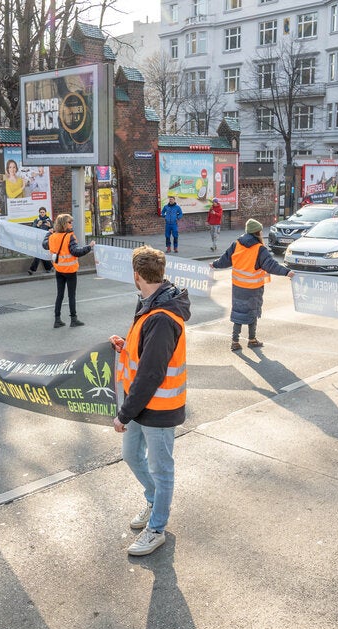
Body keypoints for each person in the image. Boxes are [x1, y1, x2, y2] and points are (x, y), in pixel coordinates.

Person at [109, 245, 191, 557]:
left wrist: (124, 414)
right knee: (131, 455)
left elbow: (152, 372)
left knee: (161, 469)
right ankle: (154, 501)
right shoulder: (150, 303)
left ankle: (156, 528)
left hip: (157, 408)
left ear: (137, 276)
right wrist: (124, 347)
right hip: (144, 404)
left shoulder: (161, 316)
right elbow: (144, 355)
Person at [211, 218, 293, 351]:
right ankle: (252, 339)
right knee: (252, 313)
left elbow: (225, 259)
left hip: (238, 286)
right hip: (253, 288)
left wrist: (214, 264)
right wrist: (286, 272)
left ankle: (235, 341)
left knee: (238, 311)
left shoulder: (237, 244)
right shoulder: (259, 249)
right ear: (258, 232)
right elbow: (271, 265)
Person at [42, 213, 95, 328]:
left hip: (59, 269)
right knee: (71, 295)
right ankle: (73, 319)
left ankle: (57, 320)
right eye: (69, 222)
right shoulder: (69, 237)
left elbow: (44, 245)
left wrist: (48, 233)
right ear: (64, 224)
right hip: (70, 270)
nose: (71, 224)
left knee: (59, 295)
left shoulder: (52, 236)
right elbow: (76, 252)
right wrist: (89, 246)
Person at [27, 207, 53, 275]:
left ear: (45, 212)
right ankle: (49, 267)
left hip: (46, 240)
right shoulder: (36, 220)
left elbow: (52, 230)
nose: (42, 213)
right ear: (39, 213)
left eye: (43, 212)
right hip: (38, 240)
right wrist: (38, 225)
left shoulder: (48, 220)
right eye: (41, 212)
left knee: (39, 254)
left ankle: (32, 269)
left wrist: (49, 226)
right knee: (41, 254)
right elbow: (33, 229)